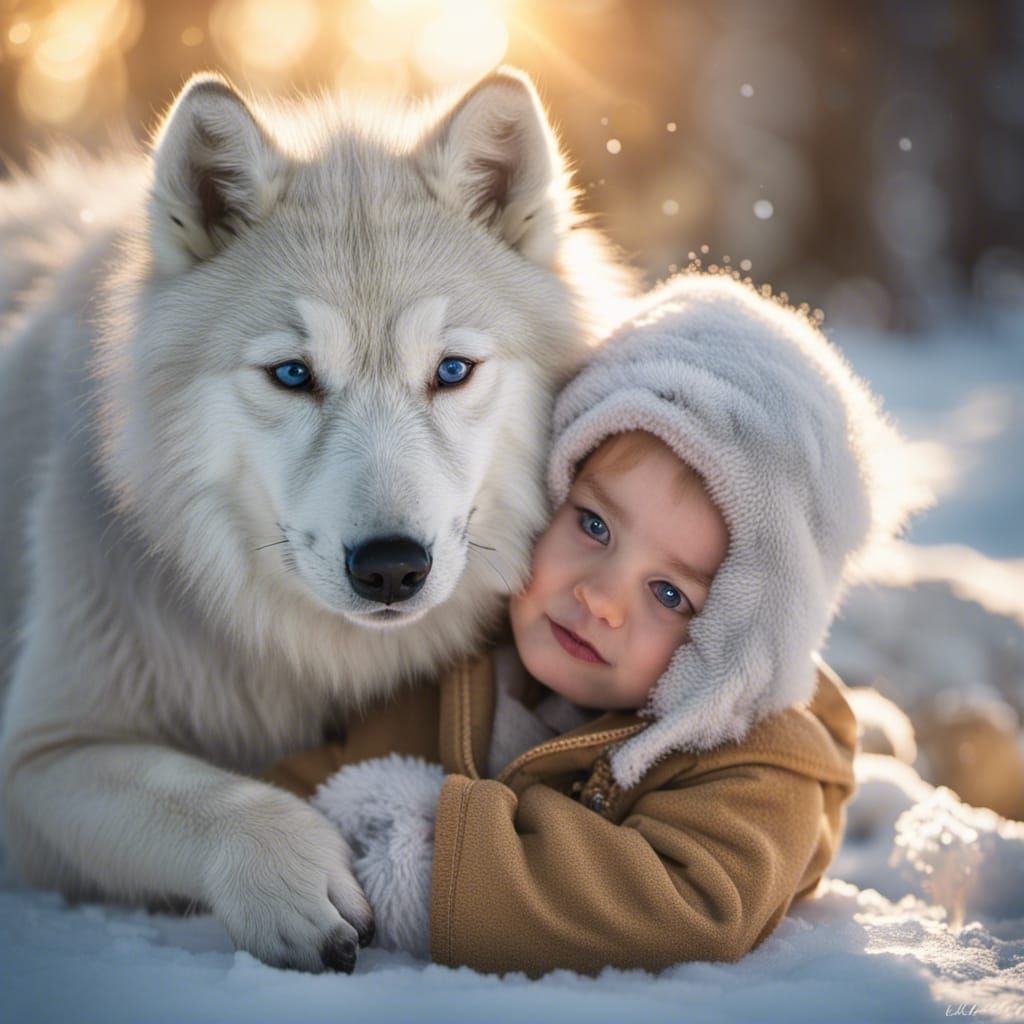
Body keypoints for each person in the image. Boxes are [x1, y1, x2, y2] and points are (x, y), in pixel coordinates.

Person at [263, 273, 921, 977]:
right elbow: (296, 789)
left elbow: (688, 905)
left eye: (669, 593)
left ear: (737, 633)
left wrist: (421, 853)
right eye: (594, 524)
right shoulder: (454, 656)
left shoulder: (754, 759)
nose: (601, 598)